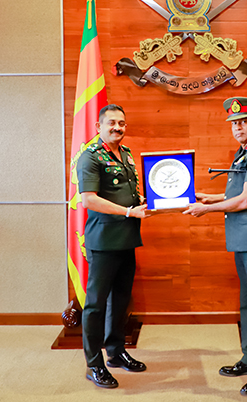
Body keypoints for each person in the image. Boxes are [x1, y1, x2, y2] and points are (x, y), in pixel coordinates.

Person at [183, 97, 247, 396]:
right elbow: (237, 191)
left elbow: (246, 200)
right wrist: (210, 197)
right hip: (243, 238)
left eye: (243, 121)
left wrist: (206, 210)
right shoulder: (244, 153)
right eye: (234, 123)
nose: (237, 127)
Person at [77, 104, 150, 389]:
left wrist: (146, 202)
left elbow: (130, 192)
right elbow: (89, 200)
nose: (117, 127)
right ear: (99, 127)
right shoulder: (90, 157)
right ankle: (94, 363)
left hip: (127, 239)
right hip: (104, 241)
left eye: (121, 123)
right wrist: (129, 212)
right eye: (111, 123)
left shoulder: (127, 154)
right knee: (95, 305)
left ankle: (116, 351)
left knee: (121, 300)